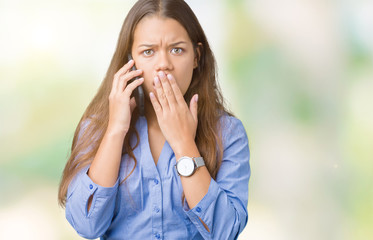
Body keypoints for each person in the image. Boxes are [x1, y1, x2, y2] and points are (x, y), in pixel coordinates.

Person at [57, 0, 250, 239]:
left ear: (197, 56)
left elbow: (225, 231)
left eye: (177, 49)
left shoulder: (228, 133)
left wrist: (183, 144)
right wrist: (115, 130)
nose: (163, 65)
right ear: (131, 60)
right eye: (148, 52)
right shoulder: (98, 127)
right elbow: (86, 226)